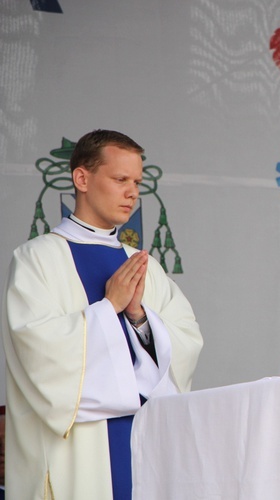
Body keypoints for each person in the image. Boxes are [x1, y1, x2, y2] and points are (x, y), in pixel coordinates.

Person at [2, 129, 204, 500]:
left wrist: (139, 316)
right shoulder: (38, 258)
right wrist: (109, 308)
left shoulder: (142, 265)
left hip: (141, 443)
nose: (132, 192)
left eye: (138, 182)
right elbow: (37, 350)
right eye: (120, 179)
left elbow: (186, 341)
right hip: (78, 451)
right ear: (82, 178)